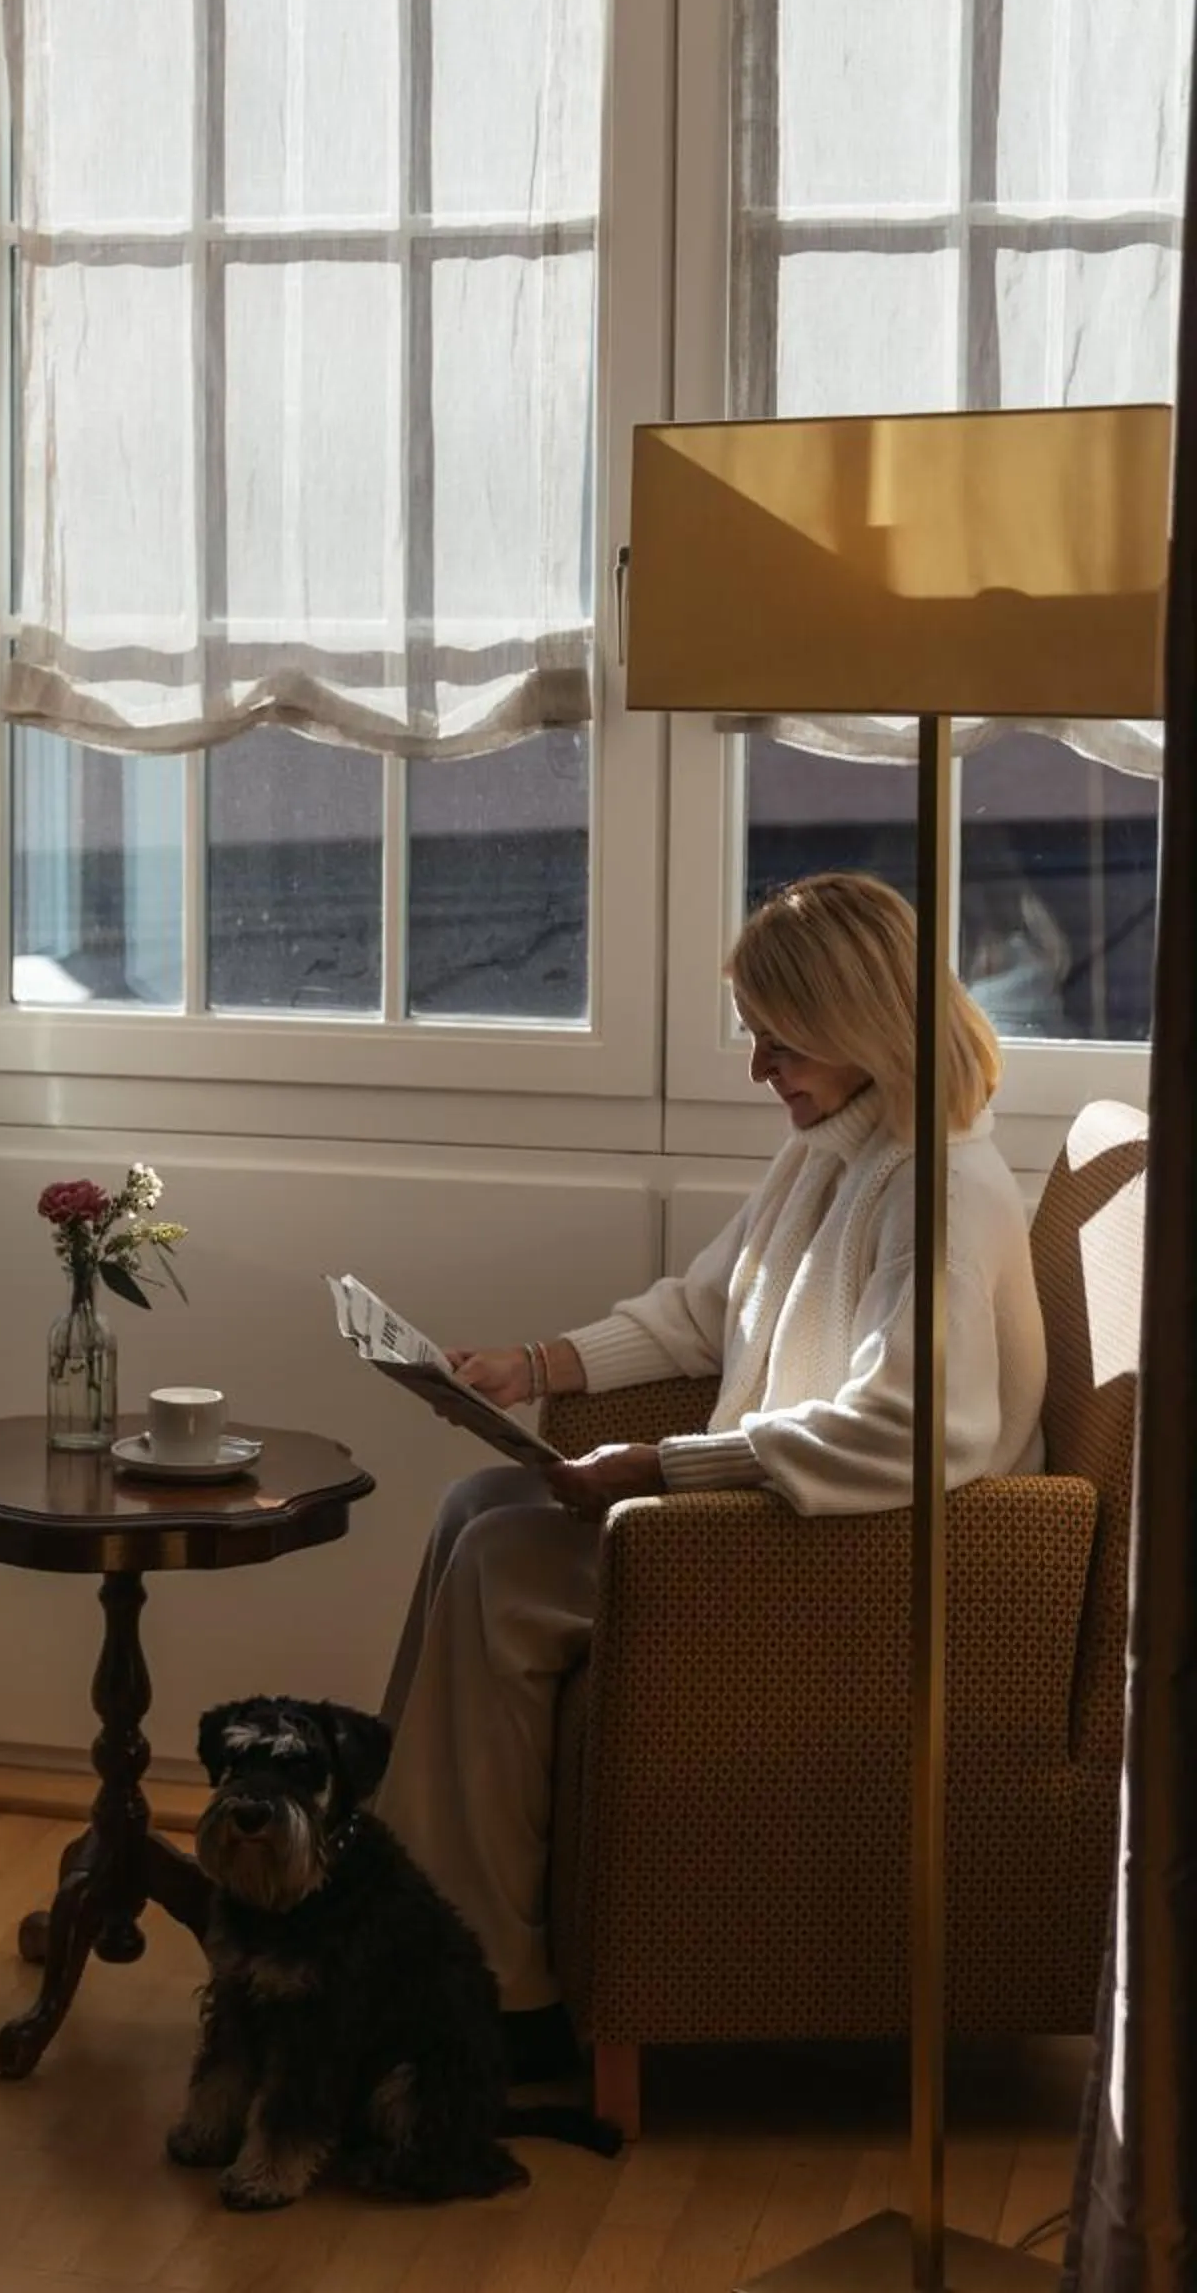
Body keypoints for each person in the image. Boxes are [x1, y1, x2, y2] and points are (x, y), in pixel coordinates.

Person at [374, 870, 1047, 2084]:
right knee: (478, 1504)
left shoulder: (937, 1193)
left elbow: (920, 1429)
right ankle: (413, 1925)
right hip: (780, 1520)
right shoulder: (835, 1152)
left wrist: (664, 1467)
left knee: (501, 1564)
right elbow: (703, 1311)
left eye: (777, 1042)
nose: (758, 1072)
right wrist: (535, 1368)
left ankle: (485, 1984)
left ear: (856, 1028)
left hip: (867, 1564)